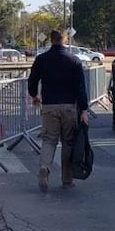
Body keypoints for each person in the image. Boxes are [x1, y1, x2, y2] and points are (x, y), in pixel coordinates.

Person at [27, 29, 89, 192]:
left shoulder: (42, 59)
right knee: (68, 142)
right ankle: (67, 180)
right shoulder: (74, 60)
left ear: (51, 40)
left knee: (49, 140)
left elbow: (32, 80)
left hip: (49, 106)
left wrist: (34, 95)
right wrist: (83, 109)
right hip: (69, 107)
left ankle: (44, 168)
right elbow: (80, 87)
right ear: (65, 40)